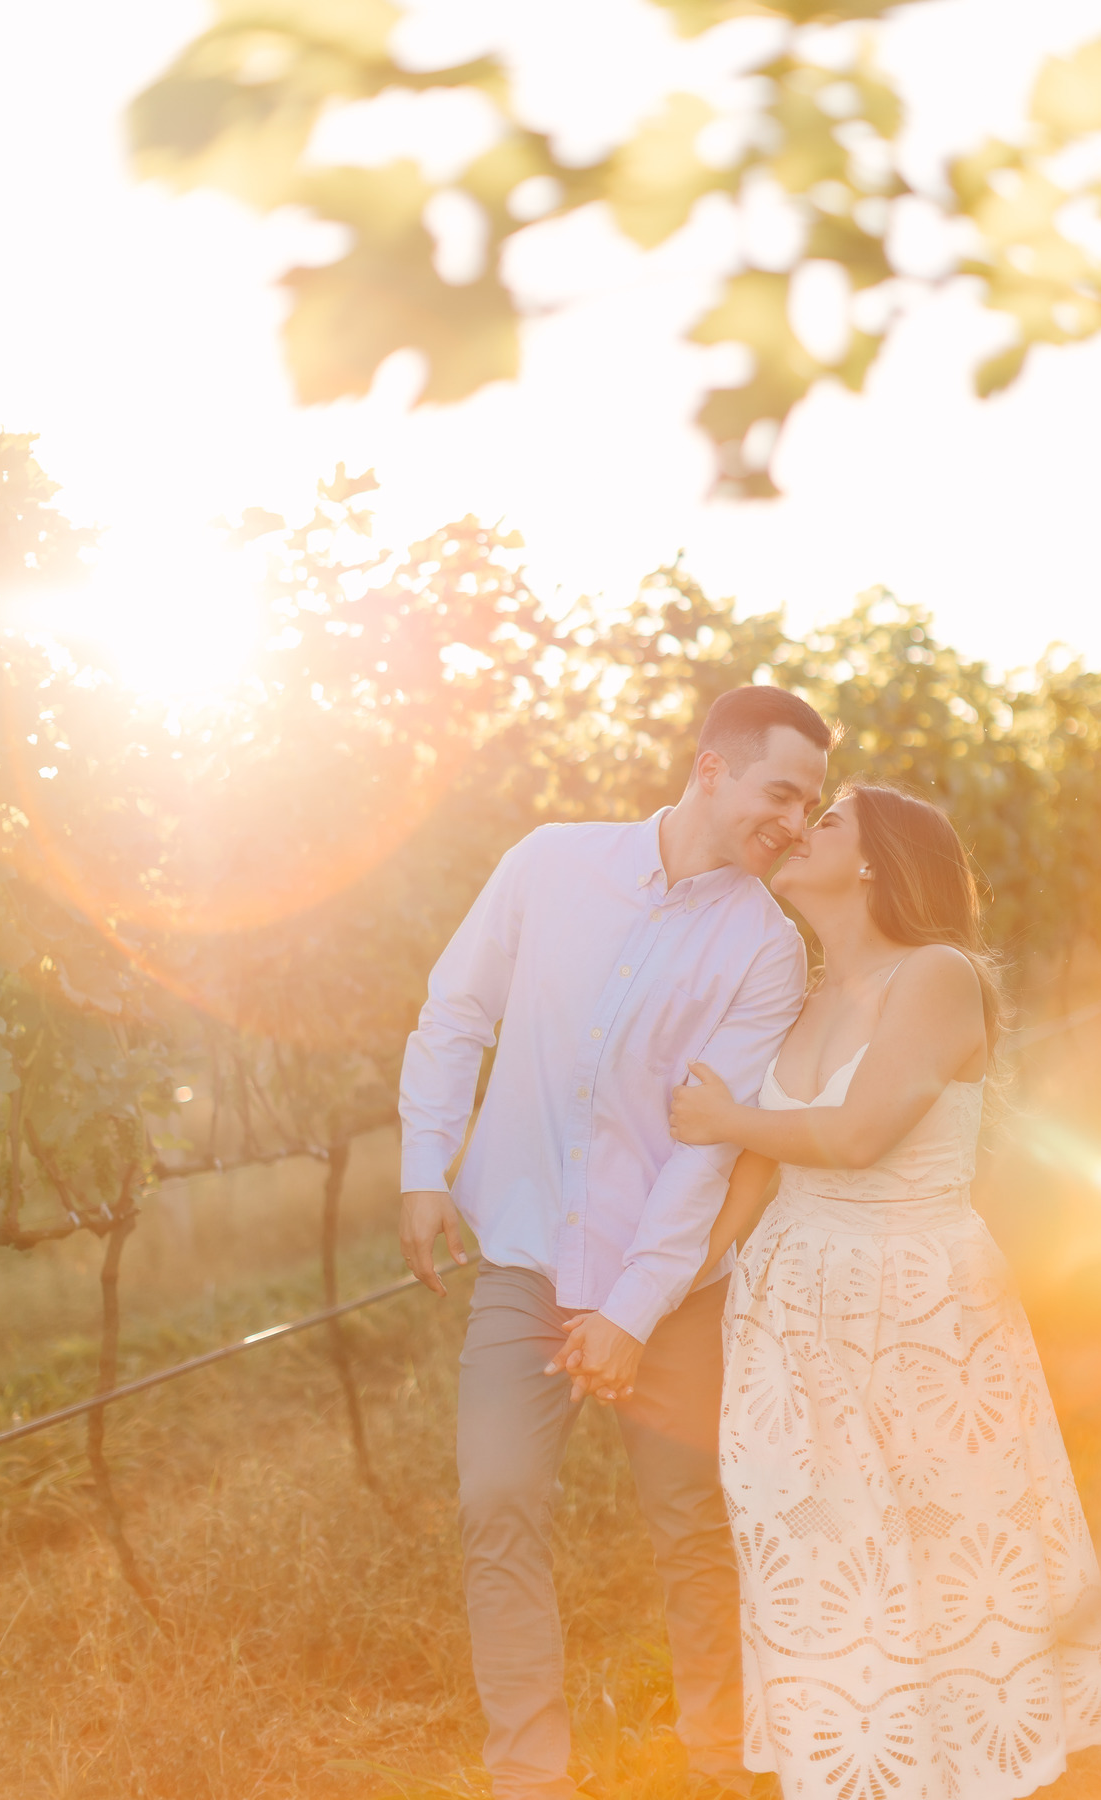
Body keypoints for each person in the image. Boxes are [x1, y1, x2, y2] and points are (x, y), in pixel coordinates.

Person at [397, 685, 832, 1800]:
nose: (793, 822)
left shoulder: (769, 953)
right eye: (782, 793)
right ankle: (531, 1776)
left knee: (691, 1522)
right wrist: (423, 1164)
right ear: (711, 770)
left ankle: (719, 1755)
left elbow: (705, 1151)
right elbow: (457, 1008)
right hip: (527, 1259)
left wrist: (634, 1313)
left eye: (812, 805)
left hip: (676, 1285)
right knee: (496, 1501)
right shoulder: (549, 864)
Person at [670, 782, 1101, 1799]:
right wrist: (664, 1285)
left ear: (879, 858)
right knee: (816, 1541)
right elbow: (771, 1174)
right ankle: (859, 1760)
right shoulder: (804, 992)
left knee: (946, 1540)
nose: (798, 832)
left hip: (916, 1301)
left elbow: (853, 1136)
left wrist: (722, 1121)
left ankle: (975, 1764)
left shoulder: (939, 975)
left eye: (825, 820)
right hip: (790, 1300)